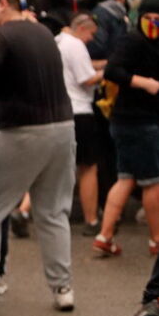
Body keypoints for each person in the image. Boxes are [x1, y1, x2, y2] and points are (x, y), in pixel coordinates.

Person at [0, 0, 76, 312]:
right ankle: (62, 288)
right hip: (63, 128)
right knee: (53, 212)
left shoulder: (1, 35)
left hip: (22, 131)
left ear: (2, 3)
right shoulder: (43, 32)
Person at [96, 0, 159, 259]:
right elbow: (112, 70)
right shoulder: (134, 40)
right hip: (140, 121)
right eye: (151, 19)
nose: (155, 24)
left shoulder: (146, 41)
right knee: (152, 182)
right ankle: (157, 240)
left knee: (126, 178)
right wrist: (144, 83)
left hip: (129, 121)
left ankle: (105, 235)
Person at [55, 14, 103, 235]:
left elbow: (80, 67)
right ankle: (91, 219)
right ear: (83, 28)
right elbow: (86, 78)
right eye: (91, 34)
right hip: (80, 111)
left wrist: (105, 63)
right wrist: (111, 72)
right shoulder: (77, 46)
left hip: (60, 111)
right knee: (88, 167)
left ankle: (25, 210)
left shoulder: (60, 41)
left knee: (53, 167)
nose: (91, 39)